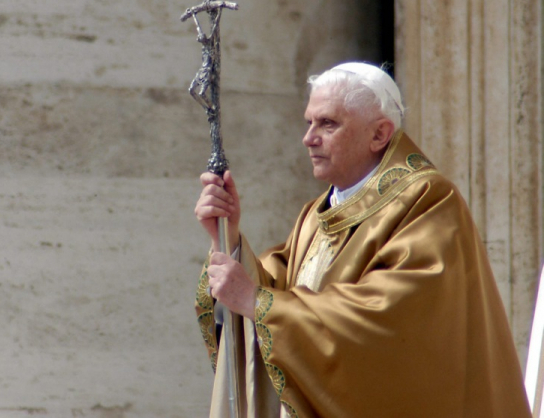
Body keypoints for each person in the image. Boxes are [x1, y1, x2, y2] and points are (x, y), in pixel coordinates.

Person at [193, 62, 531, 417]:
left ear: (380, 134)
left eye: (328, 123)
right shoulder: (318, 211)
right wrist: (228, 239)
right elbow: (279, 287)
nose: (309, 138)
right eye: (309, 122)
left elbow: (387, 324)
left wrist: (258, 303)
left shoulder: (428, 201)